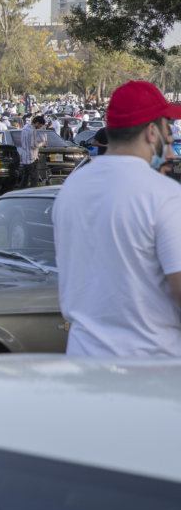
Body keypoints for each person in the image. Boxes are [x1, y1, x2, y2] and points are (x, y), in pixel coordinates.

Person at [54, 81, 181, 357]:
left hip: (83, 359)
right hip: (151, 364)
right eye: (167, 128)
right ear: (151, 132)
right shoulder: (164, 194)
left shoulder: (71, 188)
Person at [19, 115, 48, 189]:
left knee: (25, 177)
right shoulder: (33, 131)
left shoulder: (24, 129)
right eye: (40, 125)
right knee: (34, 177)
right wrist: (42, 144)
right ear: (37, 123)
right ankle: (33, 191)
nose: (39, 127)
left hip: (25, 156)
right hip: (32, 157)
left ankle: (21, 191)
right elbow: (33, 145)